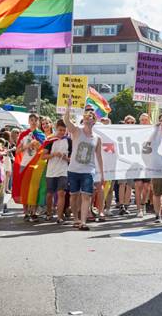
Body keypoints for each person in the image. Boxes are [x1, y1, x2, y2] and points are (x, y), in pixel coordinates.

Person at [64, 98, 104, 231]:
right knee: (74, 195)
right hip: (74, 169)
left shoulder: (97, 138)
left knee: (86, 195)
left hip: (88, 170)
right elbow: (66, 121)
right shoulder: (77, 131)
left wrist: (102, 174)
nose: (88, 119)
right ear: (84, 119)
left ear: (94, 121)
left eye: (91, 117)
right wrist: (68, 108)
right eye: (86, 117)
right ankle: (75, 218)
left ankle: (83, 221)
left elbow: (99, 156)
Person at [41, 119, 71, 224]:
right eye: (60, 130)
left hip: (63, 171)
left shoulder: (69, 141)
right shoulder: (50, 140)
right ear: (56, 128)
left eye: (64, 130)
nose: (62, 132)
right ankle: (49, 213)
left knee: (61, 193)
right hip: (51, 171)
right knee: (49, 194)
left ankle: (59, 217)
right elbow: (43, 156)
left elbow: (72, 159)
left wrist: (65, 158)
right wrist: (53, 154)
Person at [134, 113, 152, 217]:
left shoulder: (152, 132)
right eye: (142, 120)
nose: (144, 121)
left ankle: (143, 203)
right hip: (137, 162)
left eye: (146, 120)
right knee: (138, 185)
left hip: (148, 163)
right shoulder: (135, 132)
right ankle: (138, 209)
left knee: (146, 187)